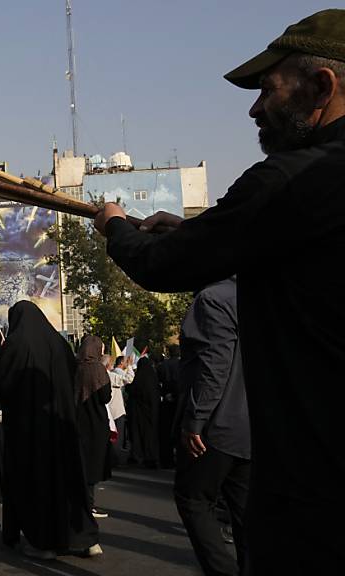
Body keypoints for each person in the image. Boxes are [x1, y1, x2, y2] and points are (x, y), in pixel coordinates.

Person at [93, 10, 345, 571]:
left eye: (268, 89)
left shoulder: (291, 179)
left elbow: (161, 266)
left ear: (322, 87)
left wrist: (114, 224)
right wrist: (194, 229)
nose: (256, 108)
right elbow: (285, 242)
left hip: (314, 485)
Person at [0, 301, 100, 560]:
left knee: (35, 480)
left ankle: (44, 542)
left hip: (29, 428)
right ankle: (83, 537)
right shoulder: (60, 344)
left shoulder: (16, 344)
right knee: (69, 478)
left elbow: (0, 382)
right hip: (62, 424)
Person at [173, 278, 250, 576]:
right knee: (245, 511)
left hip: (215, 427)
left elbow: (213, 367)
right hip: (249, 427)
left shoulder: (211, 299)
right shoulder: (251, 295)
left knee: (193, 499)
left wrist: (195, 419)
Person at [73, 335, 113, 519]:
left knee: (80, 462)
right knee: (93, 464)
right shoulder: (97, 368)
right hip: (95, 420)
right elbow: (105, 396)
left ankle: (81, 502)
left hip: (77, 419)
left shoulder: (75, 366)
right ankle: (89, 505)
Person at [126, 356, 160, 468]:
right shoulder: (153, 379)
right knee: (150, 436)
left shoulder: (139, 379)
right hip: (151, 413)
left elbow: (132, 390)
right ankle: (150, 457)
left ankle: (137, 455)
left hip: (138, 413)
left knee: (137, 434)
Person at [157, 346, 182, 468]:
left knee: (166, 431)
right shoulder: (182, 365)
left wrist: (165, 394)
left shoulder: (163, 366)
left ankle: (166, 459)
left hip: (166, 401)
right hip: (179, 401)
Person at [107, 355, 133, 465]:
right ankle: (115, 459)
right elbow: (129, 379)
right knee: (117, 437)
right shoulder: (113, 375)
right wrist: (130, 366)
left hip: (108, 409)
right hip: (117, 410)